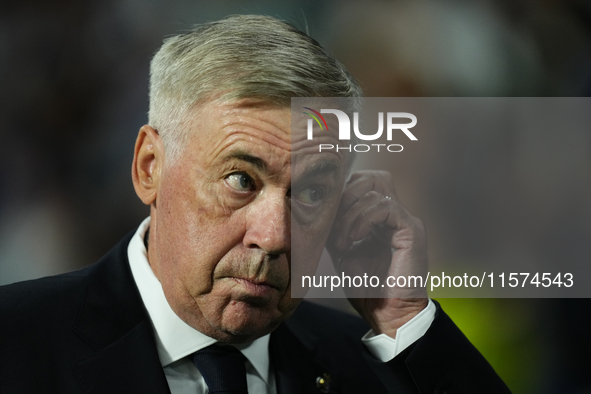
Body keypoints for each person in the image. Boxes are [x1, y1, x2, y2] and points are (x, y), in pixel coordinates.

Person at [0, 15, 510, 393]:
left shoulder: (375, 364)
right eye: (241, 179)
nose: (275, 236)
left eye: (311, 192)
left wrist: (405, 321)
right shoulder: (17, 345)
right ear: (150, 167)